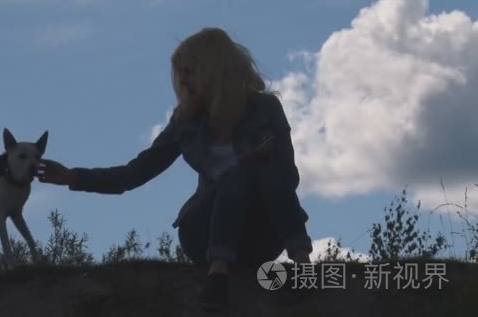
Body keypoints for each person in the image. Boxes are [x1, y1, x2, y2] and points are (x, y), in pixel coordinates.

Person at [37, 27, 313, 311]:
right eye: (180, 71)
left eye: (189, 70)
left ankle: (303, 266)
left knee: (258, 171)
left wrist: (261, 159)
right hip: (203, 231)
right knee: (237, 175)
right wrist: (74, 176)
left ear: (213, 69)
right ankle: (217, 278)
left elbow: (287, 178)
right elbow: (136, 172)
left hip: (262, 232)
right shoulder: (186, 122)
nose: (182, 79)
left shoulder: (265, 108)